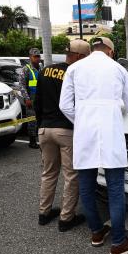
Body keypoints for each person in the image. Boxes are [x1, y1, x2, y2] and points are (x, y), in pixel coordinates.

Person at [59, 37, 128, 254]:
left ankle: (96, 233)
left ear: (93, 49)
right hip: (111, 134)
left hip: (84, 135)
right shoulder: (118, 69)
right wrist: (115, 107)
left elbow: (64, 105)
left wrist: (85, 118)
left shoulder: (74, 68)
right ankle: (118, 242)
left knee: (86, 186)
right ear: (111, 52)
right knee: (115, 189)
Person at [34, 40, 91, 231]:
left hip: (45, 129)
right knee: (71, 175)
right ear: (78, 57)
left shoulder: (45, 71)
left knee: (48, 173)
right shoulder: (76, 74)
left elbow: (37, 102)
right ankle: (66, 218)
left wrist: (39, 126)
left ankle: (44, 213)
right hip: (65, 130)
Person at [19, 48, 43, 148]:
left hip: (41, 99)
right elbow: (22, 85)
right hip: (31, 99)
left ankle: (40, 138)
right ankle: (32, 141)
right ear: (30, 57)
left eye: (38, 57)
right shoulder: (26, 69)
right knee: (32, 120)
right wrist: (27, 98)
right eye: (35, 57)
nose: (37, 59)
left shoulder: (41, 68)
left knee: (40, 119)